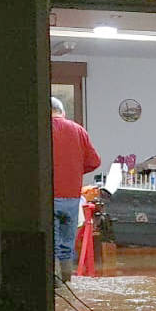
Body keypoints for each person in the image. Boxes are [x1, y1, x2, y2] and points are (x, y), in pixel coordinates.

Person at [52, 96, 100, 281]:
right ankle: (67, 279)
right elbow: (94, 161)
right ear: (62, 112)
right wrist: (76, 170)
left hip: (49, 195)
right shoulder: (78, 130)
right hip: (71, 196)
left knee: (52, 242)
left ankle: (53, 283)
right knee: (67, 243)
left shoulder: (40, 129)